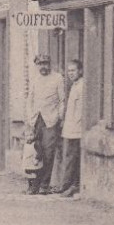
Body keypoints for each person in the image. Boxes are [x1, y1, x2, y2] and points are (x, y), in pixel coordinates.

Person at [24, 53, 65, 196]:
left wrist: (58, 118)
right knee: (35, 153)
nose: (43, 66)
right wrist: (30, 117)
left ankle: (44, 184)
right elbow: (30, 99)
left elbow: (62, 100)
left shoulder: (58, 78)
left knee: (48, 153)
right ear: (37, 65)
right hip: (36, 120)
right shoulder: (35, 79)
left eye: (46, 63)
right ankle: (33, 185)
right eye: (40, 64)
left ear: (50, 64)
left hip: (50, 120)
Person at [58, 59, 83, 198]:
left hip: (76, 129)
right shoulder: (75, 85)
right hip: (70, 128)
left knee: (72, 157)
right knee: (69, 156)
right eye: (69, 71)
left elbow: (80, 111)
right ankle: (67, 185)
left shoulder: (81, 86)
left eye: (73, 70)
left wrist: (75, 125)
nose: (70, 73)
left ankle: (70, 186)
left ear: (80, 71)